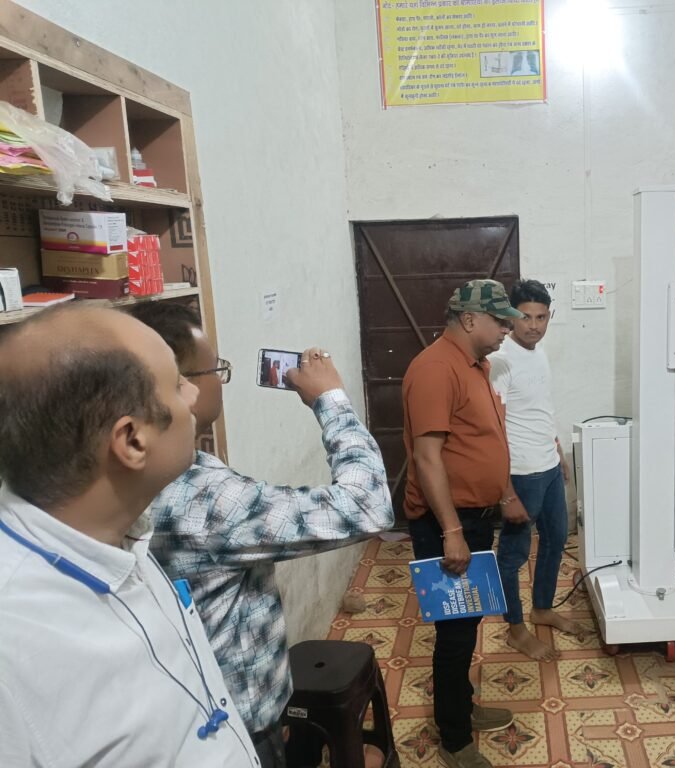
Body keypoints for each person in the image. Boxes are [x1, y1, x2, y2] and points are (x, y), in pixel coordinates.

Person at [124, 302, 393, 768]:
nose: (212, 384)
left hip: (174, 714)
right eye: (214, 369)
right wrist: (331, 399)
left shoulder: (125, 477)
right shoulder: (202, 498)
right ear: (176, 387)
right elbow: (367, 504)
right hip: (235, 725)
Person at [0, 305, 258, 767]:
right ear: (133, 441)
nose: (193, 393)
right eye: (176, 384)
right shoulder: (15, 642)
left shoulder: (116, 527)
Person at [402, 279, 527, 768]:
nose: (507, 329)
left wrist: (503, 493)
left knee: (467, 621)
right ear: (470, 319)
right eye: (500, 321)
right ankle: (454, 738)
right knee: (455, 631)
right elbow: (427, 457)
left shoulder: (475, 365)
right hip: (447, 525)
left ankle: (462, 705)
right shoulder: (435, 369)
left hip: (473, 519)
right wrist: (452, 532)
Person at [490, 279, 583, 662]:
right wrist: (505, 489)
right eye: (526, 317)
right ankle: (515, 630)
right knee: (512, 556)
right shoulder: (501, 360)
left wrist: (557, 448)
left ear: (549, 316)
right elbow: (494, 426)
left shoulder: (538, 352)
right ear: (512, 317)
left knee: (556, 538)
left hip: (547, 465)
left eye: (541, 317)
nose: (533, 325)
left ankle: (542, 608)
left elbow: (540, 407)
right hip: (521, 472)